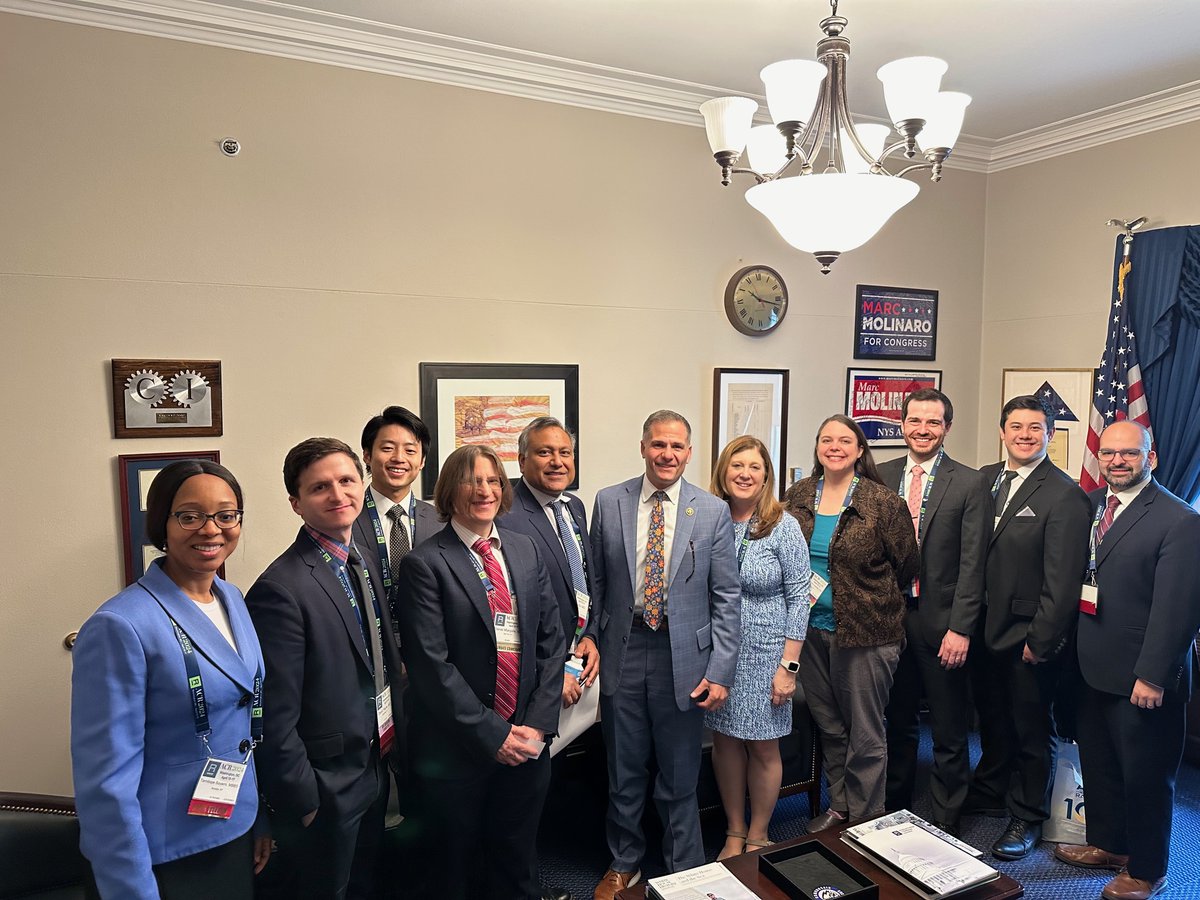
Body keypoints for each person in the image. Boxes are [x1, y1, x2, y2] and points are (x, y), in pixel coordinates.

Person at [72, 460, 270, 899]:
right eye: (190, 515)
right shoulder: (119, 626)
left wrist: (258, 818)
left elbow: (240, 720)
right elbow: (105, 785)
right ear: (162, 523)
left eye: (226, 514)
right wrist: (131, 889)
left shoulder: (231, 597)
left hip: (232, 829)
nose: (211, 529)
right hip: (162, 854)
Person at [395, 444, 566, 900]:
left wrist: (536, 725)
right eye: (472, 481)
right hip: (459, 750)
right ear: (451, 490)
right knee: (456, 868)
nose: (484, 490)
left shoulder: (525, 550)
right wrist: (494, 736)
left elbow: (551, 641)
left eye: (493, 480)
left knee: (518, 860)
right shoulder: (426, 564)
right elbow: (433, 667)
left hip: (528, 742)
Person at [589, 410, 741, 900]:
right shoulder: (609, 501)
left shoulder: (711, 510)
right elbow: (595, 583)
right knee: (624, 771)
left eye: (677, 447)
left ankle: (684, 872)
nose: (667, 455)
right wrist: (587, 643)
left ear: (689, 453)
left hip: (686, 657)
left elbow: (726, 597)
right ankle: (624, 862)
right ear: (642, 447)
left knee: (679, 774)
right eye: (658, 445)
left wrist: (720, 671)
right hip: (624, 650)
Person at [245, 438, 403, 900]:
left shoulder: (362, 560)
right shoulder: (281, 590)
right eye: (319, 488)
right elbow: (274, 717)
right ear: (296, 503)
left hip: (374, 767)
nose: (338, 495)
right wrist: (305, 801)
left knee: (363, 885)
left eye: (347, 480)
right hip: (326, 787)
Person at [1053, 421, 1200, 900]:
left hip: (1143, 674)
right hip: (1092, 666)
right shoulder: (1095, 506)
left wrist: (1154, 675)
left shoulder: (1179, 520)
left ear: (1150, 458)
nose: (1117, 461)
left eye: (1129, 454)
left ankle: (1147, 868)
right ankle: (1110, 845)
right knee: (1101, 765)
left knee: (1146, 776)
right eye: (1109, 453)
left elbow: (1178, 609)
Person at [782, 414, 919, 831]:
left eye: (845, 440)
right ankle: (839, 806)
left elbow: (907, 565)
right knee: (830, 726)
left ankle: (866, 820)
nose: (835, 447)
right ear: (818, 448)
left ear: (860, 450)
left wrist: (864, 599)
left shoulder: (882, 502)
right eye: (827, 440)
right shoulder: (798, 495)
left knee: (865, 733)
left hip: (868, 635)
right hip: (808, 632)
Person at [969, 395, 1091, 860]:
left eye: (1034, 427)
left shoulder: (1065, 494)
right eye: (1015, 426)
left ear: (1049, 434)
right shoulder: (984, 479)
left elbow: (1062, 583)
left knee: (1032, 729)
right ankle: (992, 789)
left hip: (1027, 635)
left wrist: (1041, 641)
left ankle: (1029, 815)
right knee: (993, 718)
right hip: (982, 628)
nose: (1024, 434)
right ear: (1002, 431)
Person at [881, 389, 989, 836]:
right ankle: (892, 809)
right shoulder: (879, 475)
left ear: (947, 427)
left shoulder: (969, 482)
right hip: (887, 619)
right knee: (896, 720)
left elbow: (973, 563)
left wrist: (961, 629)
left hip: (941, 620)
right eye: (915, 421)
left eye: (933, 422)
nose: (923, 430)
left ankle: (946, 818)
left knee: (947, 729)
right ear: (901, 424)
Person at [705, 436, 810, 860]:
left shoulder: (781, 524)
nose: (745, 474)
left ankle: (759, 834)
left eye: (754, 466)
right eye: (737, 465)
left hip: (768, 652)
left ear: (766, 475)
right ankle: (733, 830)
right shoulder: (708, 517)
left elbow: (801, 594)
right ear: (723, 472)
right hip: (718, 651)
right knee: (725, 741)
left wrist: (789, 666)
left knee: (763, 745)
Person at [497, 416, 599, 710]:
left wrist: (590, 635)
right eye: (545, 453)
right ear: (521, 461)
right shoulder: (505, 517)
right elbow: (512, 610)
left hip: (580, 660)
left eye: (565, 453)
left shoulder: (574, 507)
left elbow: (588, 581)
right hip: (538, 673)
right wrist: (553, 672)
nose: (557, 461)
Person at [353, 405, 439, 634]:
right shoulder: (345, 519)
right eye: (388, 448)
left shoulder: (440, 521)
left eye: (410, 451)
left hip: (429, 646)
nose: (399, 458)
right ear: (367, 455)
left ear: (421, 461)